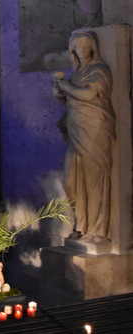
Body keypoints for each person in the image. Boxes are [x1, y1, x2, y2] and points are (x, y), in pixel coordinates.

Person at [53, 30, 115, 243]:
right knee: (71, 182)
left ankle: (96, 231)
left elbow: (89, 94)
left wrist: (65, 86)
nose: (81, 50)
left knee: (93, 181)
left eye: (85, 46)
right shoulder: (76, 74)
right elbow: (71, 97)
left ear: (92, 48)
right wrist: (61, 91)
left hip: (95, 131)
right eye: (77, 47)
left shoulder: (100, 70)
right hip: (76, 131)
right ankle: (80, 225)